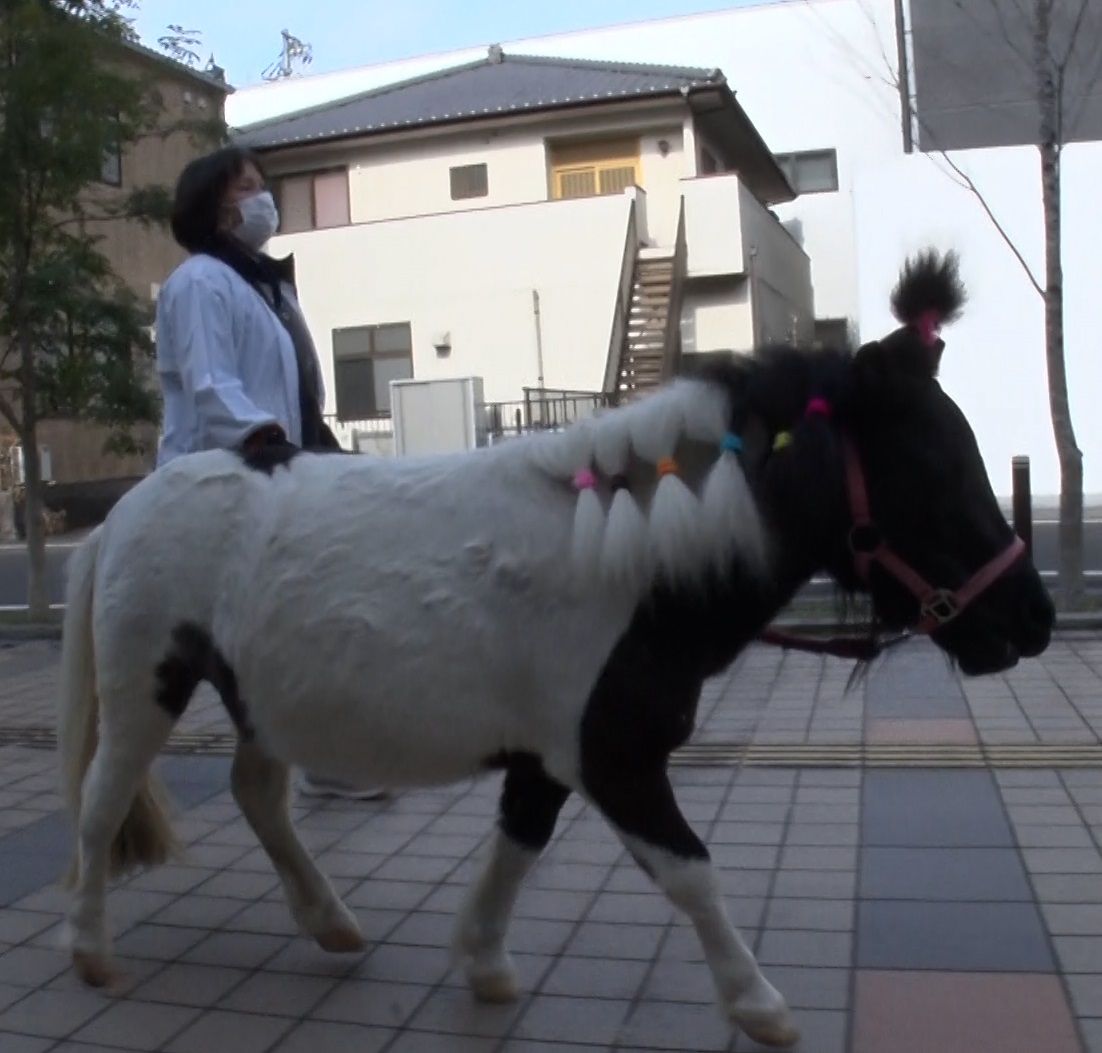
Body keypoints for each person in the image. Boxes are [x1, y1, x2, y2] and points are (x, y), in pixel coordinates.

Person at [155, 144, 387, 801]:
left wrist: (314, 445)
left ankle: (319, 752)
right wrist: (268, 438)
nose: (264, 197)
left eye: (262, 184)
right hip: (225, 478)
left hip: (276, 469)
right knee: (285, 625)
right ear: (217, 207)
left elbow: (295, 389)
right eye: (248, 187)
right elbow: (211, 385)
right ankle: (320, 754)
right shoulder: (202, 281)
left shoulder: (262, 285)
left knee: (302, 620)